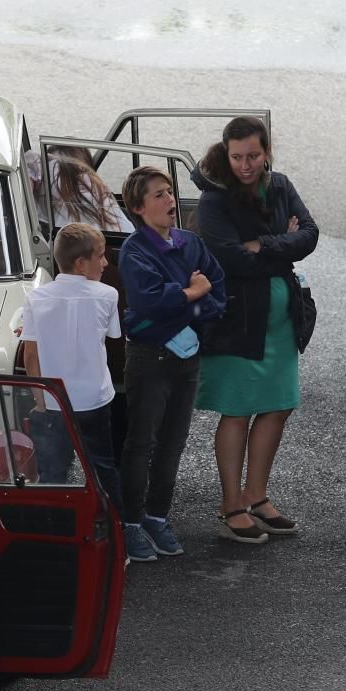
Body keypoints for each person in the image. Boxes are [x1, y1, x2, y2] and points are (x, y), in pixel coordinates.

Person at [191, 116, 319, 545]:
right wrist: (283, 244)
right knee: (238, 410)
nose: (245, 165)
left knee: (278, 406)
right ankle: (232, 505)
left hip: (280, 320)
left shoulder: (280, 184)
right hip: (237, 320)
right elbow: (229, 260)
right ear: (226, 154)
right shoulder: (214, 200)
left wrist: (263, 244)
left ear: (267, 153)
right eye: (237, 157)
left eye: (253, 156)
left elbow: (312, 234)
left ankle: (258, 496)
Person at [118, 166, 226, 562]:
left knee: (174, 444)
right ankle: (130, 523)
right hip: (149, 360)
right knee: (141, 442)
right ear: (138, 208)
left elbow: (216, 291)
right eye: (159, 195)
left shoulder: (191, 243)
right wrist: (193, 294)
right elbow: (148, 300)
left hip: (187, 359)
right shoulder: (134, 250)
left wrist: (188, 300)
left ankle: (157, 516)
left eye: (169, 192)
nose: (169, 201)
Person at [20, 222, 124, 514]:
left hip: (56, 402)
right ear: (81, 264)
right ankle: (118, 532)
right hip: (95, 398)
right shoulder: (108, 295)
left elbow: (31, 355)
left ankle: (58, 533)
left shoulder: (36, 299)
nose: (105, 263)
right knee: (104, 467)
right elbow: (112, 335)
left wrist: (41, 400)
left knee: (54, 473)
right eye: (100, 256)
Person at [0, 145, 133, 234]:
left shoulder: (39, 161)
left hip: (79, 244)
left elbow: (19, 195)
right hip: (121, 240)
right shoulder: (95, 183)